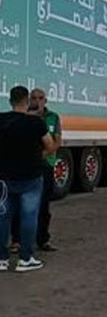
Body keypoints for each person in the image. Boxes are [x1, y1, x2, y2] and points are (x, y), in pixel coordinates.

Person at [0, 86, 57, 272]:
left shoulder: (1, 120)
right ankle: (26, 258)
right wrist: (38, 155)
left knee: (3, 217)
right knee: (29, 217)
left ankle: (2, 259)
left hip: (5, 178)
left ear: (10, 101)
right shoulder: (36, 123)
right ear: (27, 101)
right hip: (31, 177)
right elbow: (50, 146)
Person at [10, 88, 61, 253]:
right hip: (25, 167)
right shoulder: (23, 118)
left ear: (45, 101)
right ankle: (17, 241)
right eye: (34, 98)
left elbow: (56, 141)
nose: (37, 101)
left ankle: (42, 240)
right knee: (19, 206)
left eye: (41, 98)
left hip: (45, 165)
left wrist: (40, 155)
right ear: (28, 100)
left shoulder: (53, 117)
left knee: (43, 206)